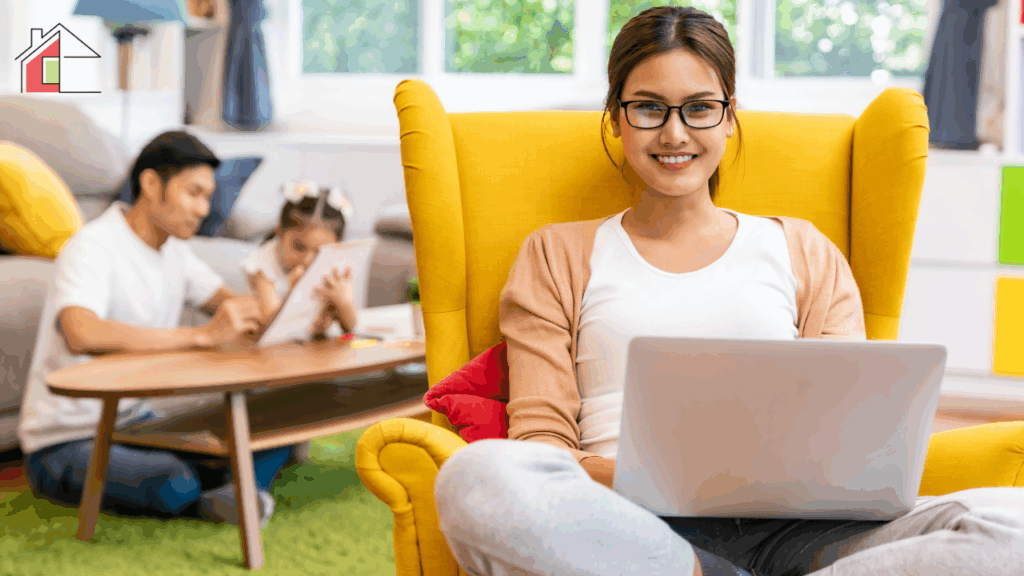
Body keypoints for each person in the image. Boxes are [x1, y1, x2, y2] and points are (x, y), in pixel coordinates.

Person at [432, 7, 1024, 576]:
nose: (673, 133)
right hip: (628, 530)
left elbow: (849, 439)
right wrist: (655, 483)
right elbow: (541, 445)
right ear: (616, 117)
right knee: (478, 478)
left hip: (803, 533)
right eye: (648, 108)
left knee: (1013, 524)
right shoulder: (555, 254)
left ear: (730, 115)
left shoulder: (804, 251)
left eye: (698, 108)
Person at [19, 131, 293, 527]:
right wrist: (200, 337)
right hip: (65, 441)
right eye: (193, 193)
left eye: (207, 197)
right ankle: (227, 491)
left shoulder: (176, 252)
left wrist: (300, 307)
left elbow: (233, 306)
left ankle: (231, 491)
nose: (204, 209)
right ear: (151, 184)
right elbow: (82, 332)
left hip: (136, 423)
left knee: (275, 421)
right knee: (172, 480)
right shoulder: (93, 246)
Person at [242, 180, 358, 338]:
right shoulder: (263, 266)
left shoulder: (334, 267)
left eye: (320, 252)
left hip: (317, 350)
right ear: (280, 232)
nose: (307, 260)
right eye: (298, 246)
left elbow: (350, 326)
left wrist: (342, 302)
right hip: (271, 352)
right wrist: (294, 293)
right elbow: (271, 329)